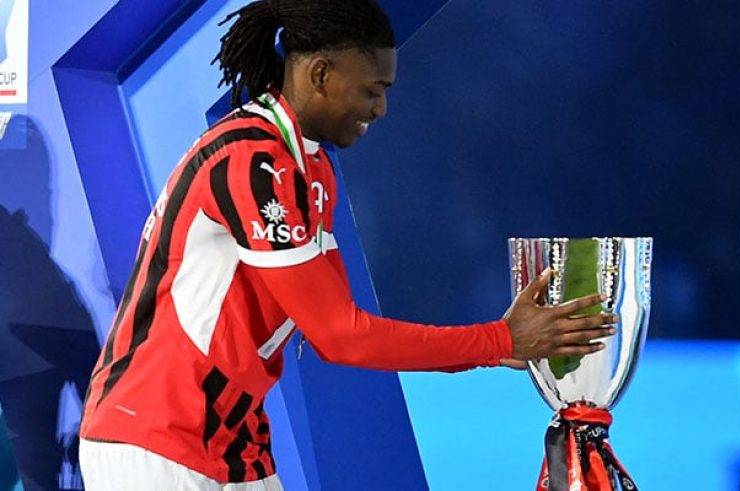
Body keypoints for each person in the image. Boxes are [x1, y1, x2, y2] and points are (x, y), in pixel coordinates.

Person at [78, 0, 618, 489]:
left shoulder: (308, 167)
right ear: (320, 73)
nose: (380, 109)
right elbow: (340, 337)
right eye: (372, 90)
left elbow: (340, 324)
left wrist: (497, 344)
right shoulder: (253, 160)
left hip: (230, 444)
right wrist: (498, 340)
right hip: (155, 438)